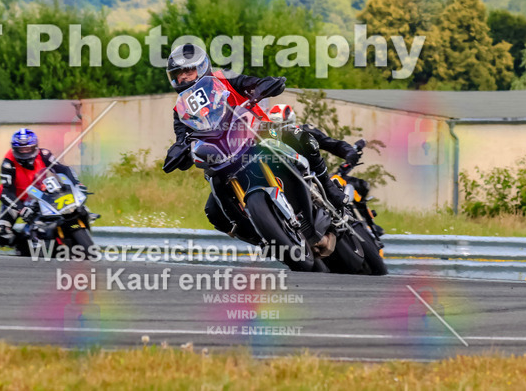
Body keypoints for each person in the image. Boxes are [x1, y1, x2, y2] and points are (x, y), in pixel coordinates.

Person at [161, 43, 292, 245]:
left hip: (258, 134)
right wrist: (179, 151)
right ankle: (265, 242)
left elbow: (251, 83)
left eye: (188, 70)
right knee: (213, 211)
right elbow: (182, 138)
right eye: (179, 73)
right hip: (224, 158)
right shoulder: (181, 111)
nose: (184, 77)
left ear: (202, 67)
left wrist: (264, 86)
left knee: (300, 136)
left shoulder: (224, 78)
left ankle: (332, 193)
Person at [269, 103, 383, 238]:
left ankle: (368, 224)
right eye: (277, 126)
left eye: (284, 125)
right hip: (285, 182)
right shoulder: (268, 139)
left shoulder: (303, 131)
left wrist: (350, 153)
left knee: (353, 183)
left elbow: (333, 144)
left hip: (312, 176)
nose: (281, 129)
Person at [0, 128, 83, 247]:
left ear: (35, 147)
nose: (25, 152)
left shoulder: (44, 154)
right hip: (16, 200)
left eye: (28, 149)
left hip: (40, 196)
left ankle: (80, 220)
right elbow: (6, 193)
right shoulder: (8, 163)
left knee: (72, 206)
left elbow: (63, 169)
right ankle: (21, 245)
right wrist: (22, 209)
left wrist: (77, 183)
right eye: (21, 149)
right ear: (14, 149)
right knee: (0, 233)